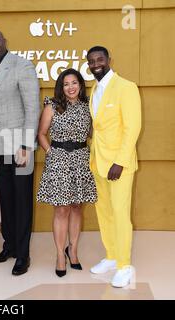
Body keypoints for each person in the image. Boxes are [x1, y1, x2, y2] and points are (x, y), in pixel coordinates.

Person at [0, 29, 40, 276]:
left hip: (19, 146)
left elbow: (32, 106)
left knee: (22, 200)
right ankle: (10, 246)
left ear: (5, 42)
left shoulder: (22, 65)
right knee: (5, 198)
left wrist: (26, 145)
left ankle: (23, 256)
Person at [86, 46, 141, 287]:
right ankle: (111, 256)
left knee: (120, 215)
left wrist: (119, 162)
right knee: (105, 213)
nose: (96, 63)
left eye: (100, 59)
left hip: (119, 165)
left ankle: (124, 265)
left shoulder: (126, 87)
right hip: (98, 162)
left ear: (109, 60)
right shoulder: (95, 88)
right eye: (91, 61)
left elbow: (132, 128)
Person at [36, 68, 97, 277]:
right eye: (66, 84)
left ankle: (73, 250)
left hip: (81, 158)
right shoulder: (52, 106)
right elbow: (42, 133)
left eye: (74, 83)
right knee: (61, 209)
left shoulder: (88, 106)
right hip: (59, 158)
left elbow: (92, 133)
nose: (70, 87)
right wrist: (51, 152)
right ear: (61, 87)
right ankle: (60, 255)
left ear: (80, 85)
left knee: (77, 207)